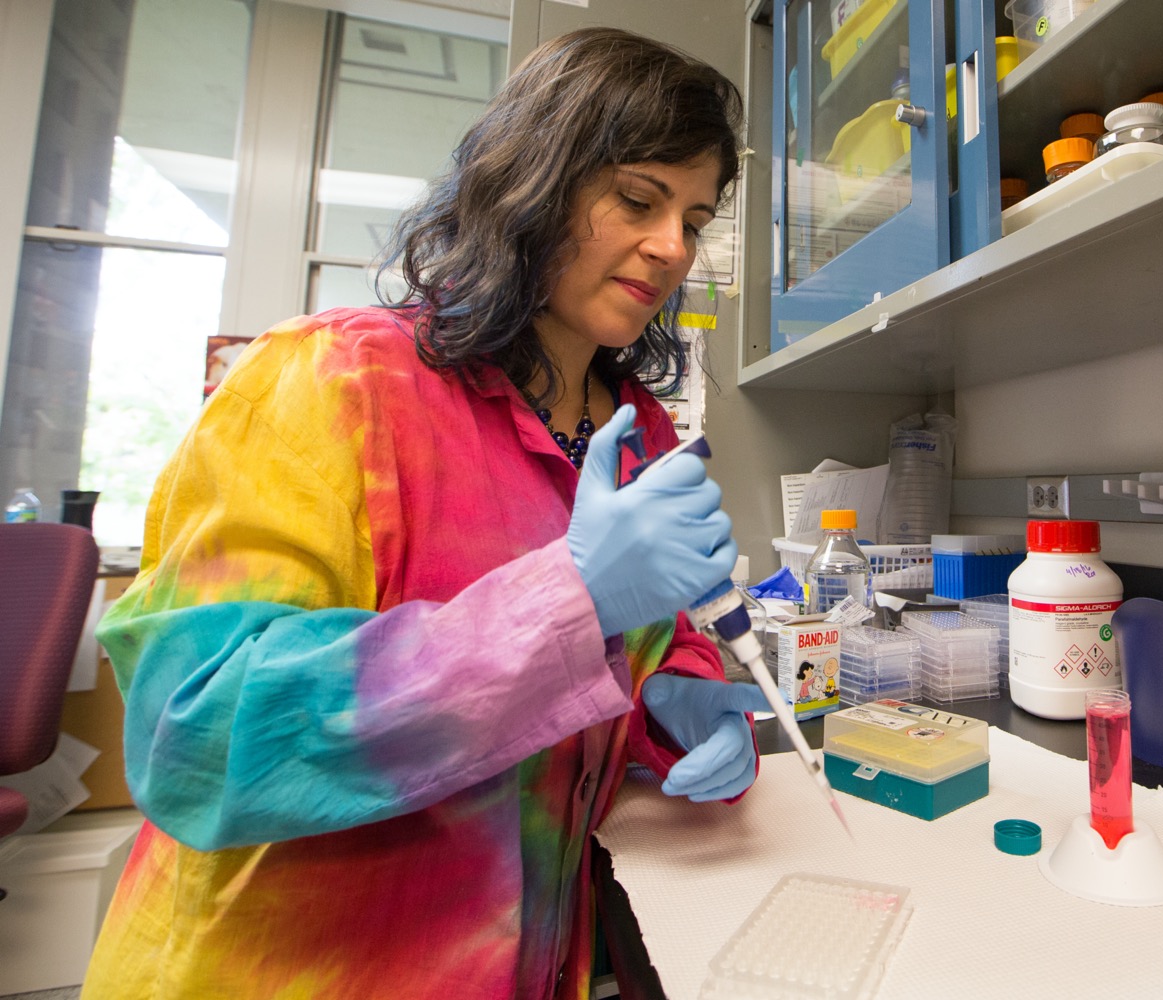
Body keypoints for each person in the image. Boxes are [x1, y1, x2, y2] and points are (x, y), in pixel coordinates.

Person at [84, 28, 768, 1000]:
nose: (672, 248)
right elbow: (195, 737)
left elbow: (652, 637)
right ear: (537, 183)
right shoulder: (328, 381)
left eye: (694, 219)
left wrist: (677, 699)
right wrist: (568, 598)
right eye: (637, 198)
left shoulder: (641, 431)